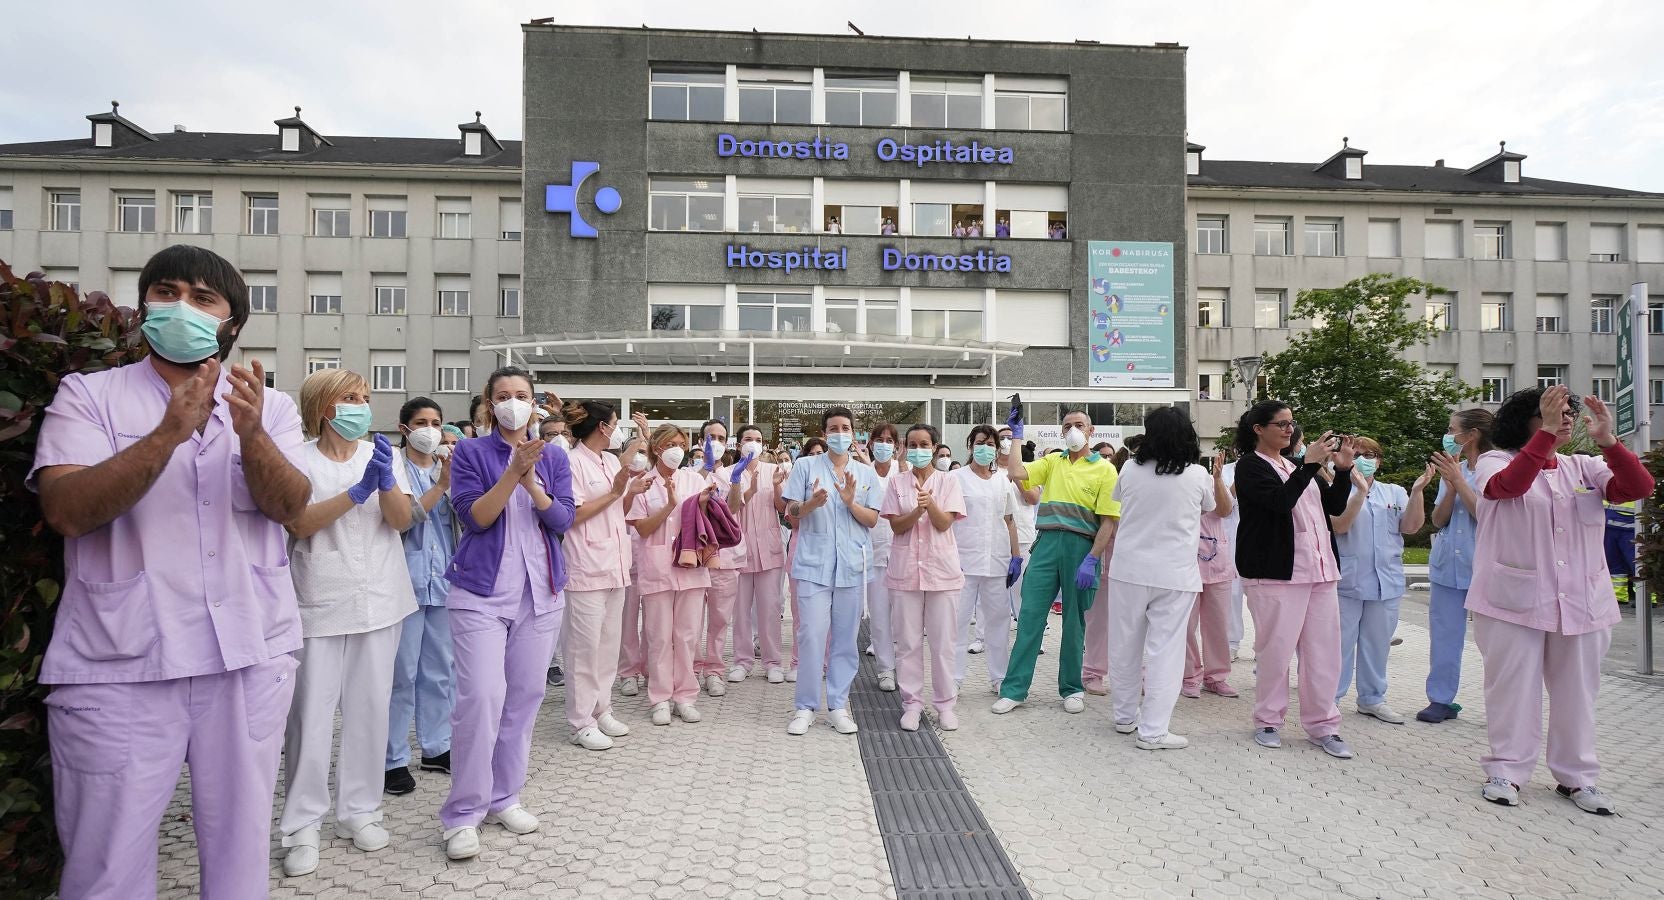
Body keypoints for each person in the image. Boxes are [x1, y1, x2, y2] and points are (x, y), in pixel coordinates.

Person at [32, 245, 310, 899]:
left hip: (247, 656)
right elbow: (66, 510)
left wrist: (252, 437)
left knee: (241, 860)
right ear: (142, 307)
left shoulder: (269, 408)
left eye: (203, 297)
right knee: (107, 867)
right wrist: (167, 433)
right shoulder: (89, 396)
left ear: (231, 326)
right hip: (121, 663)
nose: (180, 306)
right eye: (166, 291)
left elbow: (292, 508)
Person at [1469, 386, 1651, 813]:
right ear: (1526, 420)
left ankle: (1577, 777)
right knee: (1512, 688)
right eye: (1553, 413)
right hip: (1513, 601)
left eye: (1568, 413)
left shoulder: (1583, 466)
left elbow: (1637, 487)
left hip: (1582, 601)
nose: (1566, 419)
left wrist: (1608, 441)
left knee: (1578, 691)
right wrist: (1546, 435)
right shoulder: (1497, 461)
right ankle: (1507, 771)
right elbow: (1505, 489)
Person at [278, 369, 416, 875]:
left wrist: (382, 485)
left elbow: (401, 522)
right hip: (318, 599)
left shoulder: (383, 456)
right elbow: (297, 522)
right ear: (323, 406)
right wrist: (356, 494)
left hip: (380, 597)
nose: (360, 405)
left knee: (370, 708)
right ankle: (301, 824)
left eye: (364, 397)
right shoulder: (298, 457)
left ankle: (360, 810)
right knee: (311, 715)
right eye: (350, 397)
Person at [439, 366, 574, 860]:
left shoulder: (555, 456)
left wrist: (533, 480)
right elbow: (474, 517)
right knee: (481, 698)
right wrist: (511, 473)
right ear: (489, 403)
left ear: (534, 404)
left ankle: (504, 796)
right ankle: (463, 812)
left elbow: (562, 519)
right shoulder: (472, 453)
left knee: (525, 696)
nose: (512, 402)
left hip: (540, 593)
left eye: (521, 395)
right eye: (502, 395)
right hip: (480, 594)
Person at [1233, 401, 1357, 759]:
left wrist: (1344, 470)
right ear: (1259, 428)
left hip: (1319, 569)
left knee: (1323, 652)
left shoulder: (1295, 465)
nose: (1289, 430)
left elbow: (1332, 506)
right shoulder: (1250, 466)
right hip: (1277, 572)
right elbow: (1279, 502)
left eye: (1292, 424)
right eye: (1281, 424)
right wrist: (1309, 465)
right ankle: (1268, 720)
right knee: (1275, 649)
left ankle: (1324, 725)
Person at [995, 409, 1120, 715]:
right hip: (1047, 543)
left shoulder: (1105, 470)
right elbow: (1016, 472)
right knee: (1030, 617)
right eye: (1067, 426)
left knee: (1075, 622)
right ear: (1062, 433)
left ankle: (1072, 688)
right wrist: (1017, 437)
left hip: (1081, 549)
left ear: (1090, 430)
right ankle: (1014, 689)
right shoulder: (1053, 462)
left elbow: (1108, 522)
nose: (1073, 430)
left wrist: (1092, 559)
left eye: (1079, 425)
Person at [1104, 408, 1216, 749]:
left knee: (1124, 645)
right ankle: (1153, 731)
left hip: (1128, 571)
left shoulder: (1130, 468)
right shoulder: (1198, 474)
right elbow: (1209, 508)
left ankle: (1125, 717)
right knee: (1165, 651)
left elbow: (1119, 501)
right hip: (1174, 574)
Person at [782, 408, 881, 735]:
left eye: (846, 428)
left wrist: (851, 502)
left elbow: (872, 520)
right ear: (824, 434)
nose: (840, 433)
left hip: (852, 566)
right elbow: (790, 510)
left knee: (844, 640)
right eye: (834, 429)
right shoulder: (805, 466)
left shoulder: (865, 475)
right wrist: (810, 505)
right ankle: (805, 706)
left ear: (854, 433)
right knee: (810, 635)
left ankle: (838, 704)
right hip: (813, 565)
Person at [561, 400, 649, 750]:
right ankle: (580, 720)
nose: (616, 430)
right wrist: (615, 492)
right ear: (603, 427)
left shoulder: (611, 460)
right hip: (585, 566)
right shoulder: (570, 462)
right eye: (614, 424)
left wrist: (627, 493)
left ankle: (602, 709)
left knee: (609, 645)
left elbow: (619, 507)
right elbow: (571, 514)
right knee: (584, 649)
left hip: (615, 565)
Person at [385, 397, 459, 797]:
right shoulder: (395, 469)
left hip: (443, 584)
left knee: (439, 671)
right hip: (404, 585)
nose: (430, 429)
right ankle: (392, 758)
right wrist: (442, 488)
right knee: (402, 674)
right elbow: (403, 518)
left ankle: (436, 746)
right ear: (405, 428)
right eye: (421, 422)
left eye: (435, 422)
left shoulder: (450, 469)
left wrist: (454, 483)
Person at [1330, 438, 1431, 726]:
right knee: (1339, 645)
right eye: (1358, 454)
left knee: (1377, 645)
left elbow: (1411, 527)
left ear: (1379, 461)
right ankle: (1330, 700)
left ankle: (1372, 699)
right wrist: (1360, 493)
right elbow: (1339, 526)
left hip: (1385, 581)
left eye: (1370, 455)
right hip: (1347, 582)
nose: (1364, 459)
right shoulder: (1337, 491)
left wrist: (1417, 492)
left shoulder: (1393, 492)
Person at [629, 423, 717, 725]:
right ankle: (660, 697)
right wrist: (668, 506)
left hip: (690, 567)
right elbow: (641, 527)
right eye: (670, 444)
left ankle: (685, 695)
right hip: (656, 567)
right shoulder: (643, 482)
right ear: (656, 448)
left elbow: (708, 520)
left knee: (688, 634)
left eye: (681, 443)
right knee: (658, 636)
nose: (677, 449)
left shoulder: (693, 479)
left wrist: (707, 504)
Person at [883, 424, 969, 731]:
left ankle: (945, 704)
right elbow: (896, 526)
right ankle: (912, 704)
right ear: (905, 448)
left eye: (924, 444)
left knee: (943, 642)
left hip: (942, 573)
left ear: (934, 447)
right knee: (907, 642)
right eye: (913, 444)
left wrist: (929, 503)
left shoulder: (949, 481)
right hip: (906, 572)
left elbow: (945, 523)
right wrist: (917, 511)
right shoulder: (896, 483)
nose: (919, 449)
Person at [1420, 408, 1493, 723]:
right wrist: (1449, 486)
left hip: (1487, 568)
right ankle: (1440, 700)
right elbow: (1437, 520)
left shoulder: (1498, 469)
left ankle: (1504, 705)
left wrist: (1460, 481)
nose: (1448, 436)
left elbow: (1488, 516)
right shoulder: (1455, 469)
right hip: (1448, 565)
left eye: (1452, 430)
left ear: (1472, 435)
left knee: (1496, 643)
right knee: (1445, 636)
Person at [952, 425, 1020, 696]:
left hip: (997, 560)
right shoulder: (955, 478)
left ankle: (999, 677)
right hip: (962, 561)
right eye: (980, 443)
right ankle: (953, 679)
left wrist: (1016, 556)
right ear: (970, 446)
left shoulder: (1003, 479)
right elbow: (945, 521)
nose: (986, 448)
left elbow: (1010, 519)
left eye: (991, 444)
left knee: (999, 623)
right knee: (956, 623)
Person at [729, 424, 790, 683]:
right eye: (747, 439)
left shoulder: (773, 470)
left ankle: (773, 661)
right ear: (739, 444)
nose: (752, 443)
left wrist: (777, 487)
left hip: (769, 549)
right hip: (738, 550)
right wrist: (745, 487)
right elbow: (730, 509)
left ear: (764, 444)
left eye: (757, 439)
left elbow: (781, 507)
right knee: (740, 610)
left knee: (770, 608)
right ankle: (742, 661)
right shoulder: (728, 472)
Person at [697, 419, 752, 698]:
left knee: (719, 620)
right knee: (691, 621)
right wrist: (704, 469)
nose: (715, 443)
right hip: (695, 558)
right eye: (710, 437)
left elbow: (732, 510)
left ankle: (714, 670)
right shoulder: (689, 473)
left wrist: (735, 481)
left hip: (726, 557)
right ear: (700, 442)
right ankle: (692, 669)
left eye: (721, 438)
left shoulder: (735, 473)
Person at [1185, 451, 1238, 699]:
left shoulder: (1208, 479)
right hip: (1185, 563)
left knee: (1217, 625)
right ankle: (1188, 676)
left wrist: (1216, 479)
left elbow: (1225, 510)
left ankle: (1215, 677)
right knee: (1185, 626)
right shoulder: (1175, 482)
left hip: (1217, 562)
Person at [785, 436, 829, 681]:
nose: (816, 457)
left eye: (820, 453)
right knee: (802, 617)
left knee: (830, 620)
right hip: (801, 555)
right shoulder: (799, 478)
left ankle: (825, 663)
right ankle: (798, 662)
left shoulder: (837, 478)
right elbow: (792, 516)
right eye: (811, 453)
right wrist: (811, 503)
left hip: (830, 558)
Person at [617, 411, 654, 695]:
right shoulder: (617, 480)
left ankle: (652, 669)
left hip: (653, 561)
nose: (640, 456)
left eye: (644, 452)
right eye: (635, 452)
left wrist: (648, 435)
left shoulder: (656, 478)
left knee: (654, 623)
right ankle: (628, 671)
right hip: (625, 561)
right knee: (627, 622)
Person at [865, 423, 903, 691]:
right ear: (870, 444)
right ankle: (885, 669)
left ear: (897, 446)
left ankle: (906, 666)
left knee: (905, 617)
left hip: (904, 552)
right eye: (879, 439)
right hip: (872, 552)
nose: (884, 444)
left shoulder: (906, 473)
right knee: (879, 616)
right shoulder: (862, 474)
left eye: (889, 440)